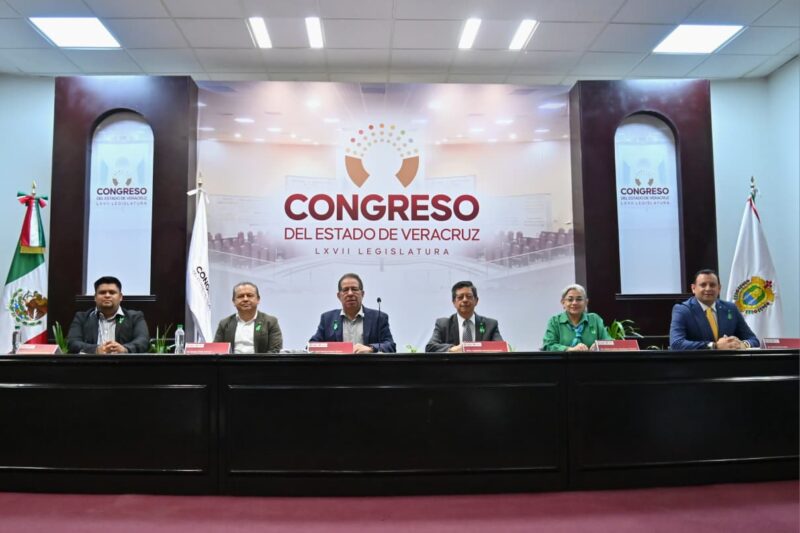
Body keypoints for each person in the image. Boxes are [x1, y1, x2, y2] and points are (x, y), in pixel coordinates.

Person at [669, 269, 759, 350]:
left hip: (728, 362)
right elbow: (676, 344)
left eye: (712, 285)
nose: (708, 289)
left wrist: (741, 345)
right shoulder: (682, 310)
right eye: (703, 285)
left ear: (719, 288)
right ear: (693, 288)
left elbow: (753, 340)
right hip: (697, 362)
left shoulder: (731, 308)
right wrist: (714, 346)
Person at [309, 273, 396, 353]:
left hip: (368, 365)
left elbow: (390, 346)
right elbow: (312, 345)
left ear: (362, 294)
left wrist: (371, 348)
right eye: (345, 290)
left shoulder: (378, 317)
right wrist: (332, 349)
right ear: (339, 296)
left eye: (354, 289)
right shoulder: (327, 319)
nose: (350, 293)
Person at [67, 276, 150, 354]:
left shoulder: (134, 317)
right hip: (92, 363)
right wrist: (95, 350)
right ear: (95, 297)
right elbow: (73, 342)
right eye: (102, 292)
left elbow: (143, 341)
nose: (107, 295)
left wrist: (124, 349)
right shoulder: (82, 318)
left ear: (120, 297)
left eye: (112, 292)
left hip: (124, 363)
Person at [426, 281, 503, 352]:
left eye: (469, 296)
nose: (465, 300)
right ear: (454, 302)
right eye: (460, 297)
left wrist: (480, 348)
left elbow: (501, 348)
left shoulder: (490, 325)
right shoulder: (443, 324)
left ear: (476, 301)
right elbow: (430, 347)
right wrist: (452, 349)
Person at [214, 282, 283, 354]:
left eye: (250, 295)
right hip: (231, 361)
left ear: (258, 299)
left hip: (261, 361)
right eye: (240, 296)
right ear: (234, 301)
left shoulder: (270, 322)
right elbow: (216, 351)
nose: (245, 299)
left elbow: (275, 351)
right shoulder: (224, 324)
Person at [542, 283, 611, 351]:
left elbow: (610, 343)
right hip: (564, 359)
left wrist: (599, 345)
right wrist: (569, 349)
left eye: (579, 299)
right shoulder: (555, 321)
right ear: (563, 303)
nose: (574, 303)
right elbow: (548, 345)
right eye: (570, 300)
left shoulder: (594, 319)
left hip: (591, 359)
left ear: (586, 302)